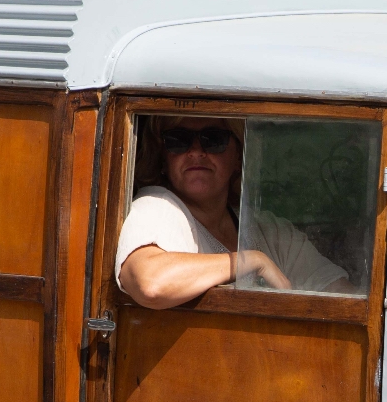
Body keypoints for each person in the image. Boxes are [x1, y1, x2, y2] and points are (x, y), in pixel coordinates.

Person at [116, 117, 353, 308]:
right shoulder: (157, 205)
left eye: (213, 139)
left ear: (238, 155)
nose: (196, 152)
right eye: (178, 140)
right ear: (163, 158)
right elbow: (150, 283)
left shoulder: (268, 229)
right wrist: (251, 261)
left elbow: (340, 295)